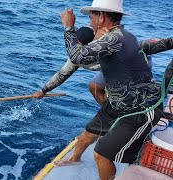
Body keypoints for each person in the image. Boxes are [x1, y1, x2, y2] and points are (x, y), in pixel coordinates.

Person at [36, 0, 169, 179]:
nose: (90, 22)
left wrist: (68, 27)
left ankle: (123, 142)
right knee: (85, 137)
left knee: (101, 154)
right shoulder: (117, 37)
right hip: (118, 101)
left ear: (102, 16)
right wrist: (44, 90)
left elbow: (77, 56)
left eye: (91, 16)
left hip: (140, 109)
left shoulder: (114, 38)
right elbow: (155, 45)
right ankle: (75, 158)